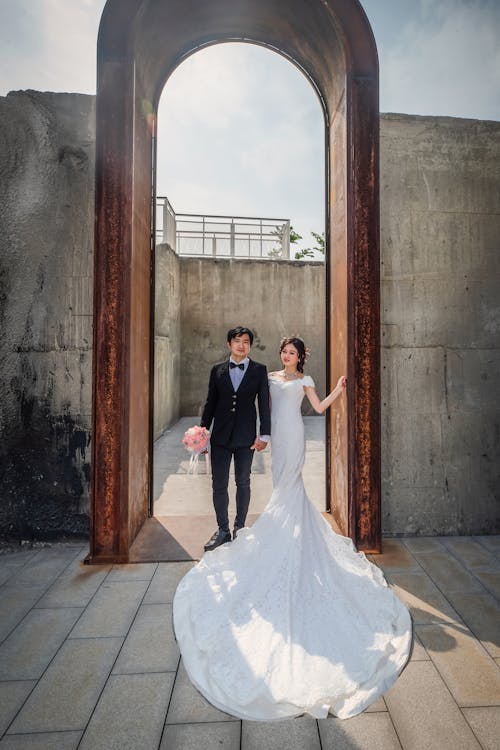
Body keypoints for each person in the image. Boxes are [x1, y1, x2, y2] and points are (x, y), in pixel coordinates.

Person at [174, 336, 412, 721]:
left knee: (292, 487)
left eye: (293, 353)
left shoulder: (305, 379)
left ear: (301, 357)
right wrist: (250, 433)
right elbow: (252, 401)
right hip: (275, 438)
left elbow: (317, 408)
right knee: (281, 488)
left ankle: (292, 537)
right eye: (284, 352)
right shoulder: (266, 377)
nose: (287, 357)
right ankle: (280, 533)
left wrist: (336, 390)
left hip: (296, 435)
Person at [200, 326, 271, 552]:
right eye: (237, 341)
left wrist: (265, 434)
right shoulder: (217, 370)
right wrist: (202, 433)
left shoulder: (259, 370)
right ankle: (223, 530)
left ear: (250, 346)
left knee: (243, 481)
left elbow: (264, 406)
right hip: (219, 437)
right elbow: (210, 403)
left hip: (246, 438)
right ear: (229, 344)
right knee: (218, 484)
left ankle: (240, 528)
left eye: (246, 342)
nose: (242, 345)